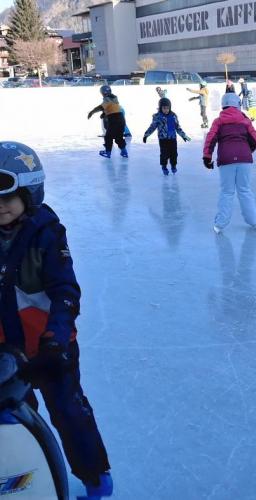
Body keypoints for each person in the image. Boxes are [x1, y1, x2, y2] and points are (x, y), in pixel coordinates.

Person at [0, 142, 112, 497]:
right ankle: (27, 477)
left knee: (69, 413)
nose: (0, 205)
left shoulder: (46, 234)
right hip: (7, 353)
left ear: (29, 193)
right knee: (17, 420)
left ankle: (96, 478)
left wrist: (56, 340)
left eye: (8, 197)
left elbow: (65, 291)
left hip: (50, 347)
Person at [202, 93, 256, 234]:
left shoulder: (218, 121)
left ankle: (219, 225)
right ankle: (253, 220)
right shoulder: (245, 120)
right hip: (244, 160)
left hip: (226, 160)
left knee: (227, 192)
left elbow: (210, 139)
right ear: (238, 105)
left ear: (223, 106)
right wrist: (247, 151)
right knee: (245, 190)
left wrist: (207, 157)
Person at [143, 97, 191, 176]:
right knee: (164, 154)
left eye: (167, 108)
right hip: (163, 139)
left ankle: (173, 165)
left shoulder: (173, 115)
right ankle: (164, 166)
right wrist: (146, 135)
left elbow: (177, 127)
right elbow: (152, 127)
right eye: (164, 108)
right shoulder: (158, 117)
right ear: (160, 108)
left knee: (174, 154)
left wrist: (183, 136)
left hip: (172, 138)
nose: (166, 110)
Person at [88, 85, 128, 158]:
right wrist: (104, 113)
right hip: (121, 119)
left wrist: (92, 112)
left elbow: (101, 107)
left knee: (108, 137)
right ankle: (124, 151)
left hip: (114, 119)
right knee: (119, 137)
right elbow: (111, 107)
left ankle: (108, 152)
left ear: (103, 92)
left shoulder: (107, 99)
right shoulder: (114, 98)